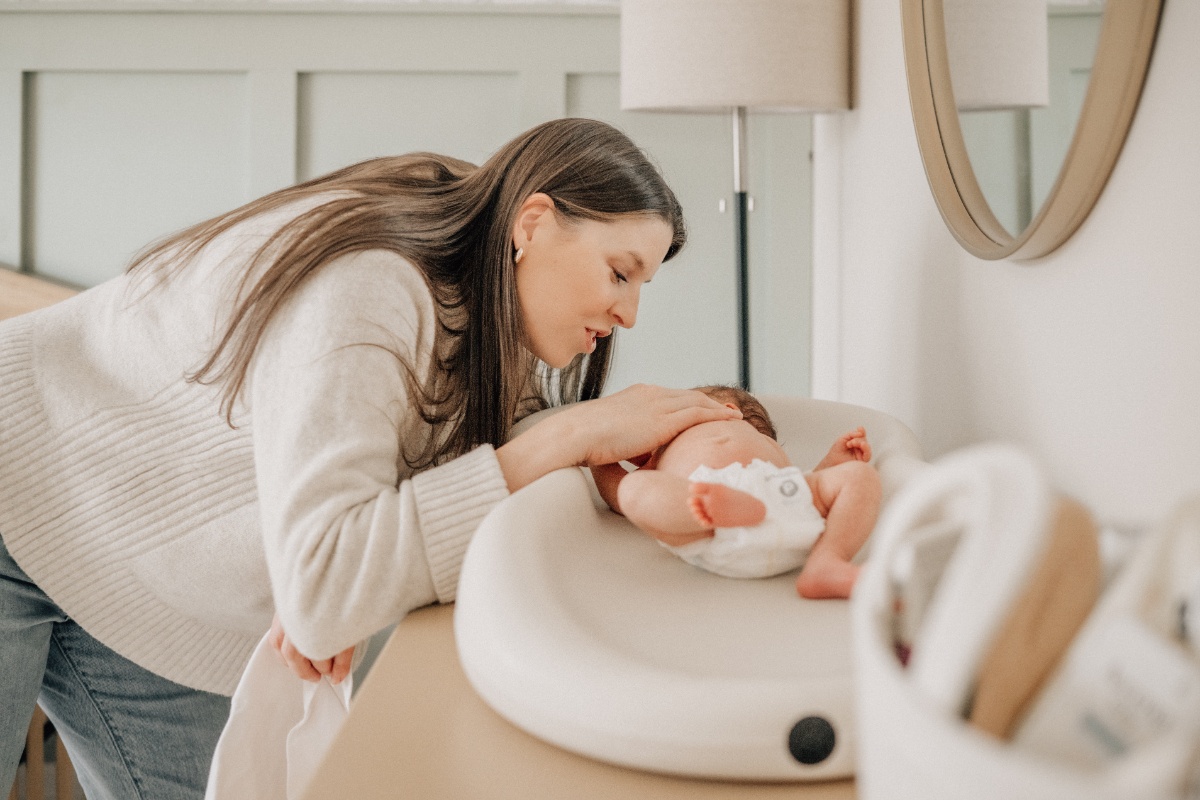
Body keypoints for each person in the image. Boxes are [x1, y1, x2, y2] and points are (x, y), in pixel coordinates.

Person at [0, 118, 745, 799]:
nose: (629, 316)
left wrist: (350, 578)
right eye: (621, 273)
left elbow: (386, 515)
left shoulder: (489, 303)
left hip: (138, 563)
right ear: (534, 223)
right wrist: (568, 438)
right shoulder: (372, 284)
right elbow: (327, 586)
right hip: (16, 475)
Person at [590, 386, 881, 599]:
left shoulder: (743, 434)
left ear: (729, 411)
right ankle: (724, 510)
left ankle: (827, 562)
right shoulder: (657, 461)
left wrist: (834, 463)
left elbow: (807, 482)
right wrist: (601, 455)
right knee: (632, 490)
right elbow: (617, 496)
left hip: (777, 498)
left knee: (862, 476)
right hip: (703, 521)